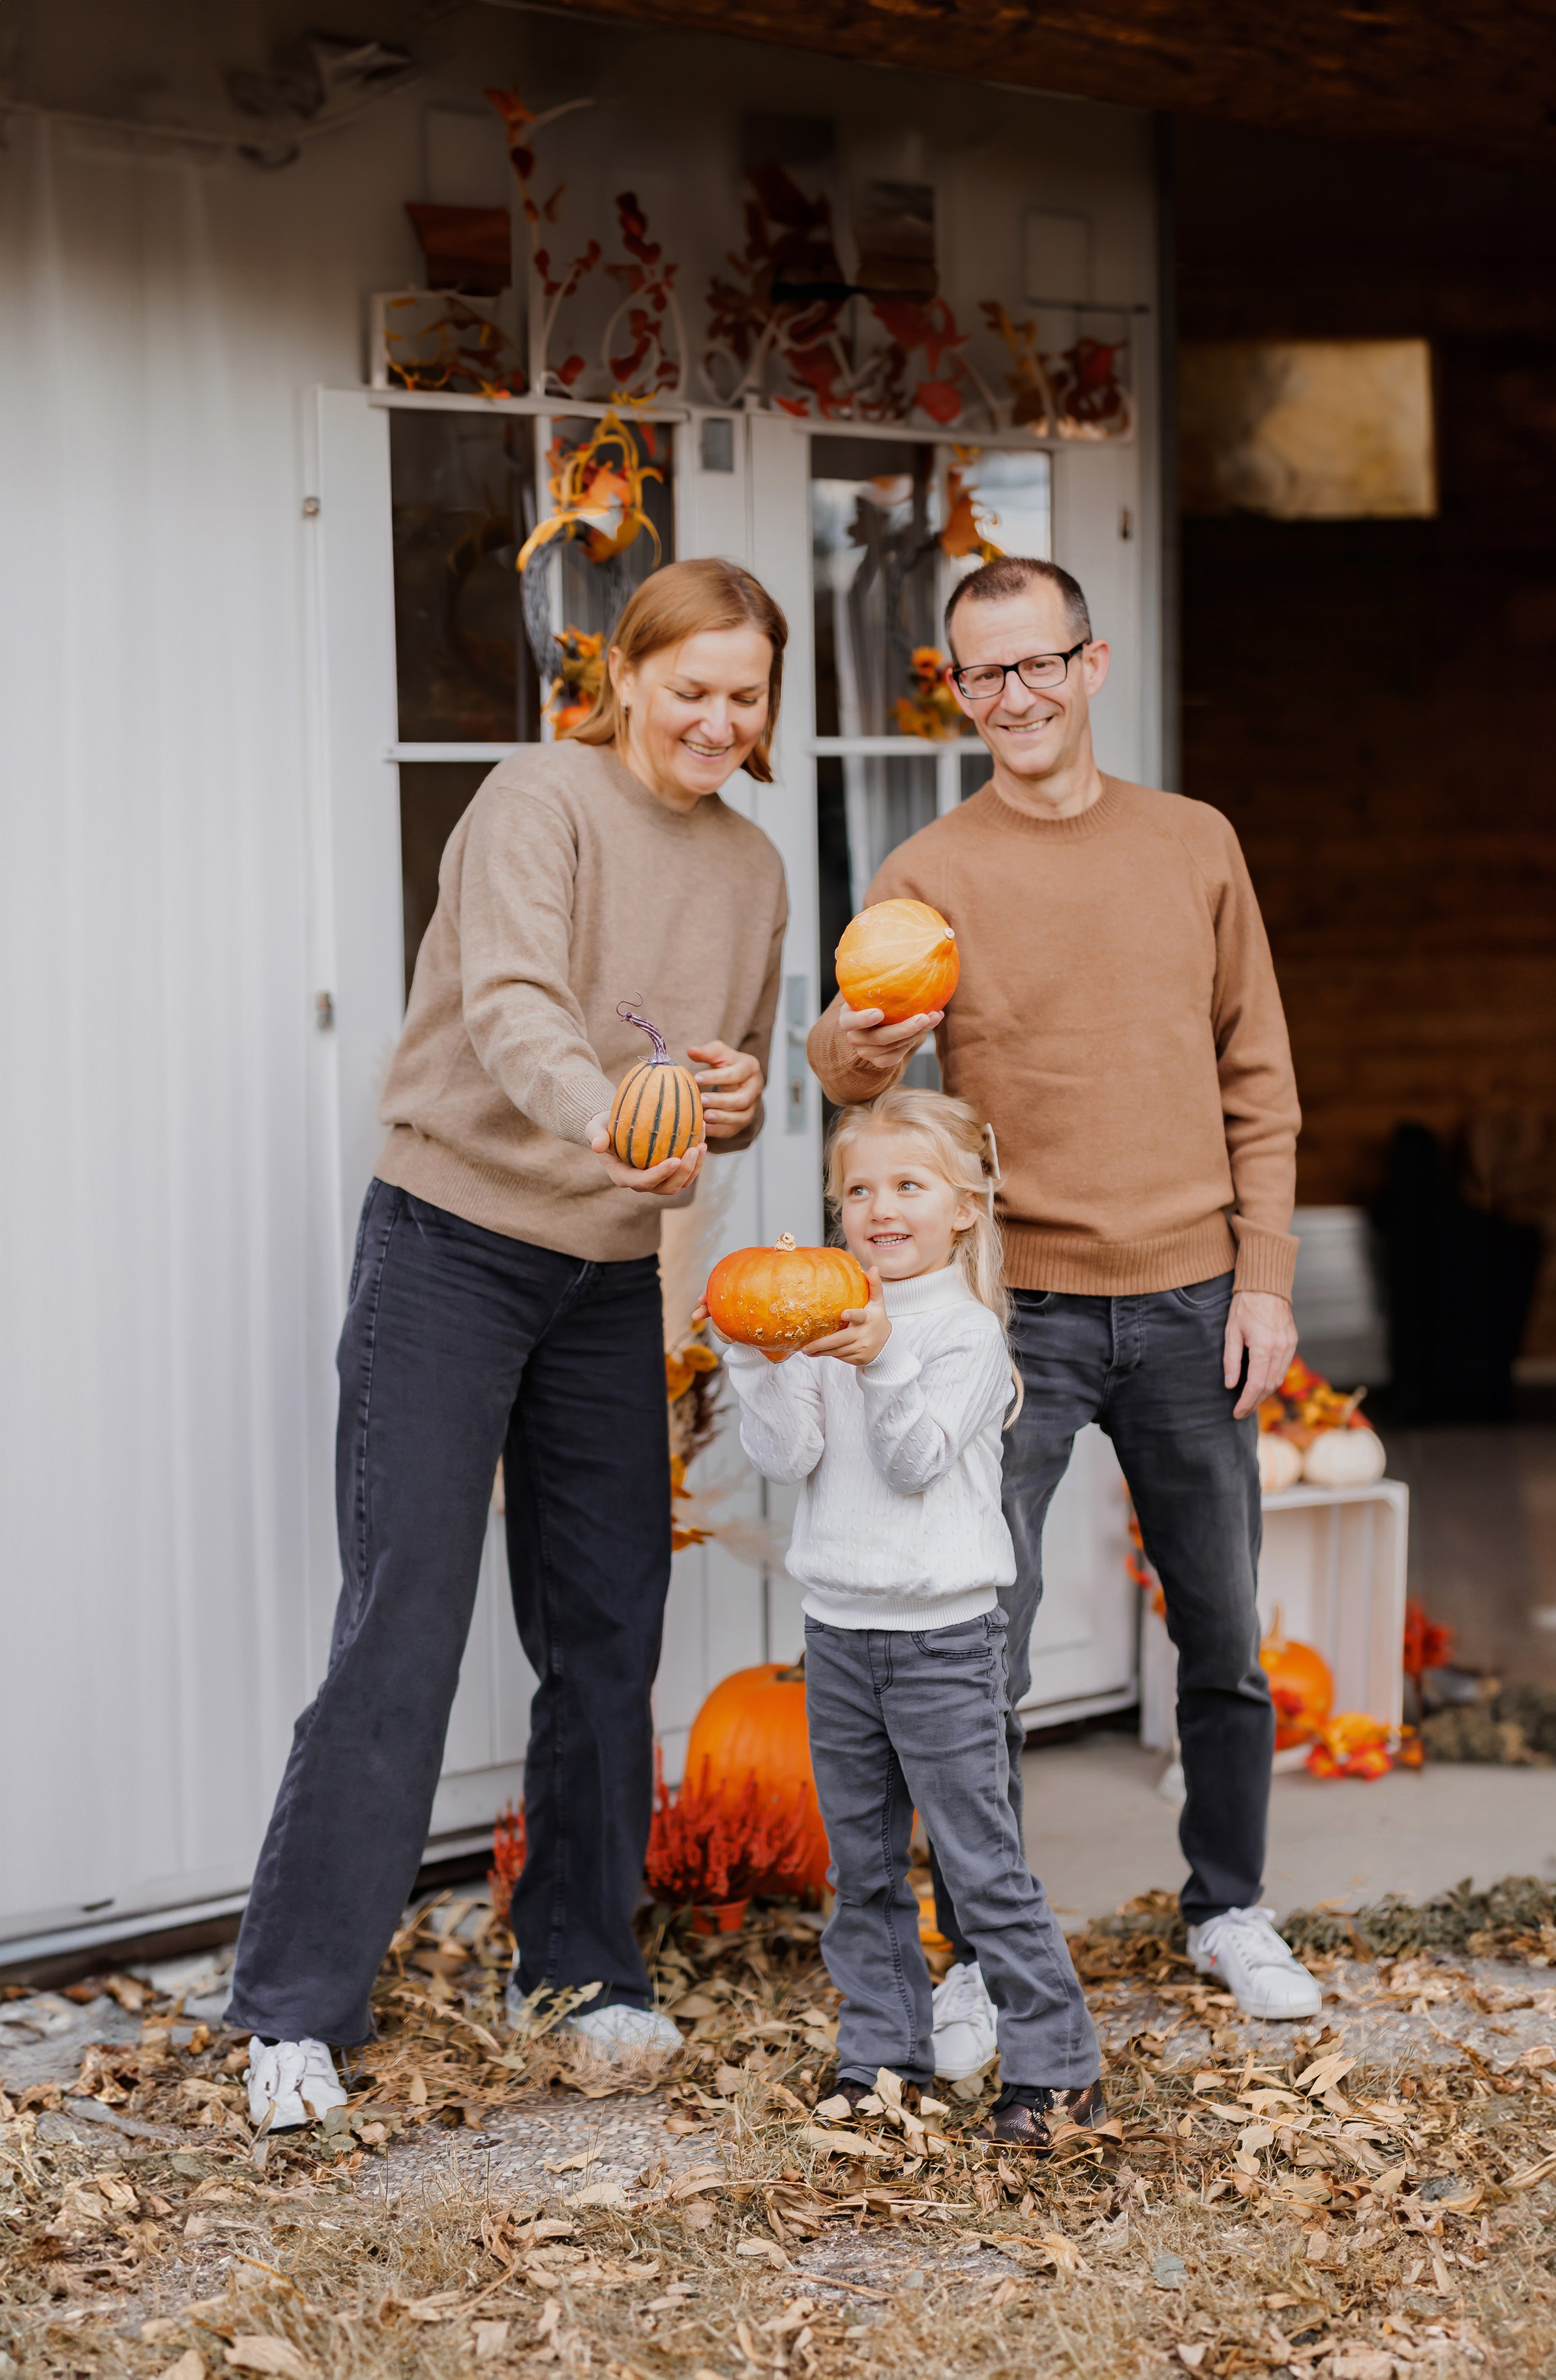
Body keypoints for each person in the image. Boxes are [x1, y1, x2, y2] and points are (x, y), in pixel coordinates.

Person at [226, 559, 791, 2129]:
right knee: (402, 1617)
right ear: (628, 679)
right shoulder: (534, 800)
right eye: (690, 688)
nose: (714, 718)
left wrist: (714, 1112)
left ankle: (581, 1966)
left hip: (605, 1274)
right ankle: (291, 2006)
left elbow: (707, 1075)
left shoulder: (753, 868)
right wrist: (624, 1114)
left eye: (744, 696)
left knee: (611, 1626)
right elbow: (514, 1010)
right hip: (451, 1247)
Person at [807, 554, 1320, 2051]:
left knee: (1218, 1630)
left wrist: (1268, 1277)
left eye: (1040, 665)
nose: (1016, 697)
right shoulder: (928, 875)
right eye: (985, 675)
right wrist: (843, 1042)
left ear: (1091, 667)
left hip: (1190, 1296)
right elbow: (857, 1077)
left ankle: (1227, 1902)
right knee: (989, 1647)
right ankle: (977, 1950)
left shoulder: (1193, 843)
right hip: (1007, 1318)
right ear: (952, 691)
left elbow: (1260, 1080)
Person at [702, 1087, 1103, 2147]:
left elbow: (915, 1459)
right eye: (859, 1189)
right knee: (865, 1867)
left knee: (980, 1862)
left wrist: (878, 1357)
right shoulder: (829, 1314)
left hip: (943, 1640)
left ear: (966, 1205)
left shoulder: (965, 1332)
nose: (881, 1207)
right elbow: (790, 1457)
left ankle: (1058, 2067)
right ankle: (882, 2056)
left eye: (909, 1185)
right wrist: (756, 1357)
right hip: (838, 1633)